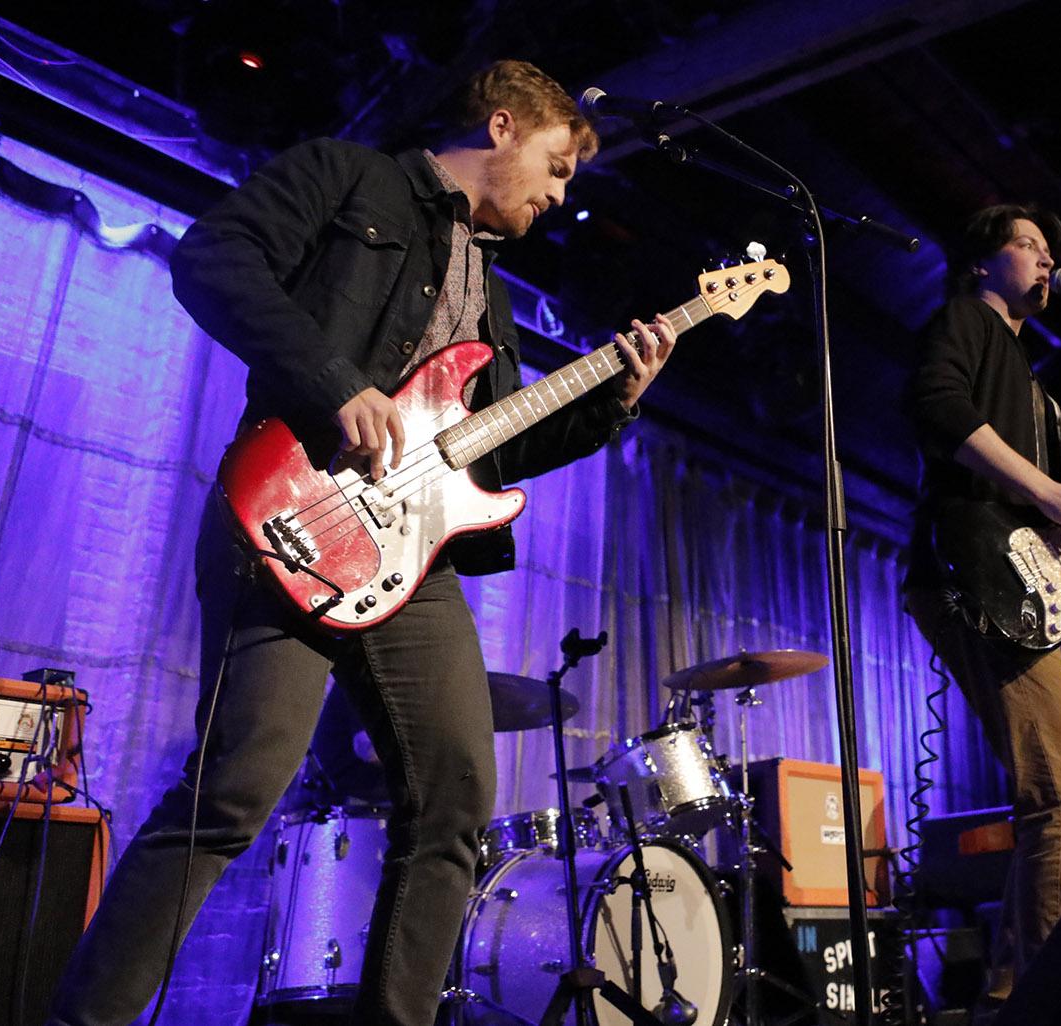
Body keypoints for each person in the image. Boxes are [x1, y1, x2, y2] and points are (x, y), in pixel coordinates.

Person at [48, 61, 675, 1026]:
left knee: (456, 801)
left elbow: (497, 446)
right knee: (234, 795)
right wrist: (335, 381)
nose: (558, 196)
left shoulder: (495, 301)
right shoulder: (347, 177)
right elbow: (212, 258)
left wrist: (614, 400)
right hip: (295, 513)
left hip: (412, 561)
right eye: (555, 168)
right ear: (501, 126)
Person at [901, 204, 1061, 1015]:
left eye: (1050, 250)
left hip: (1009, 576)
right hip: (974, 577)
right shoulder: (965, 319)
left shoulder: (1026, 377)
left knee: (1060, 797)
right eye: (1028, 246)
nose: (1047, 260)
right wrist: (1040, 488)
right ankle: (1046, 999)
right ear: (981, 262)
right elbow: (934, 403)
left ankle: (1014, 995)